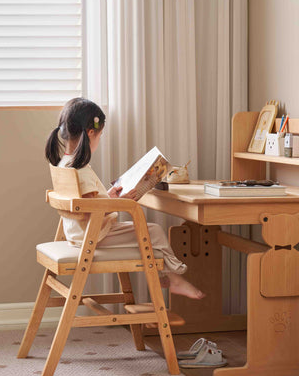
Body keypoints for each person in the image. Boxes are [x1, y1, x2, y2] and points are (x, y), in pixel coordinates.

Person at [45, 97, 205, 300]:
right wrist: (121, 203)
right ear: (91, 133)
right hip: (95, 235)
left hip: (77, 233)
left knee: (147, 233)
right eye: (100, 135)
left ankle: (167, 276)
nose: (99, 140)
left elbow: (86, 202)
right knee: (153, 231)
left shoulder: (65, 164)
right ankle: (173, 276)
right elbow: (88, 210)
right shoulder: (80, 169)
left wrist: (109, 196)